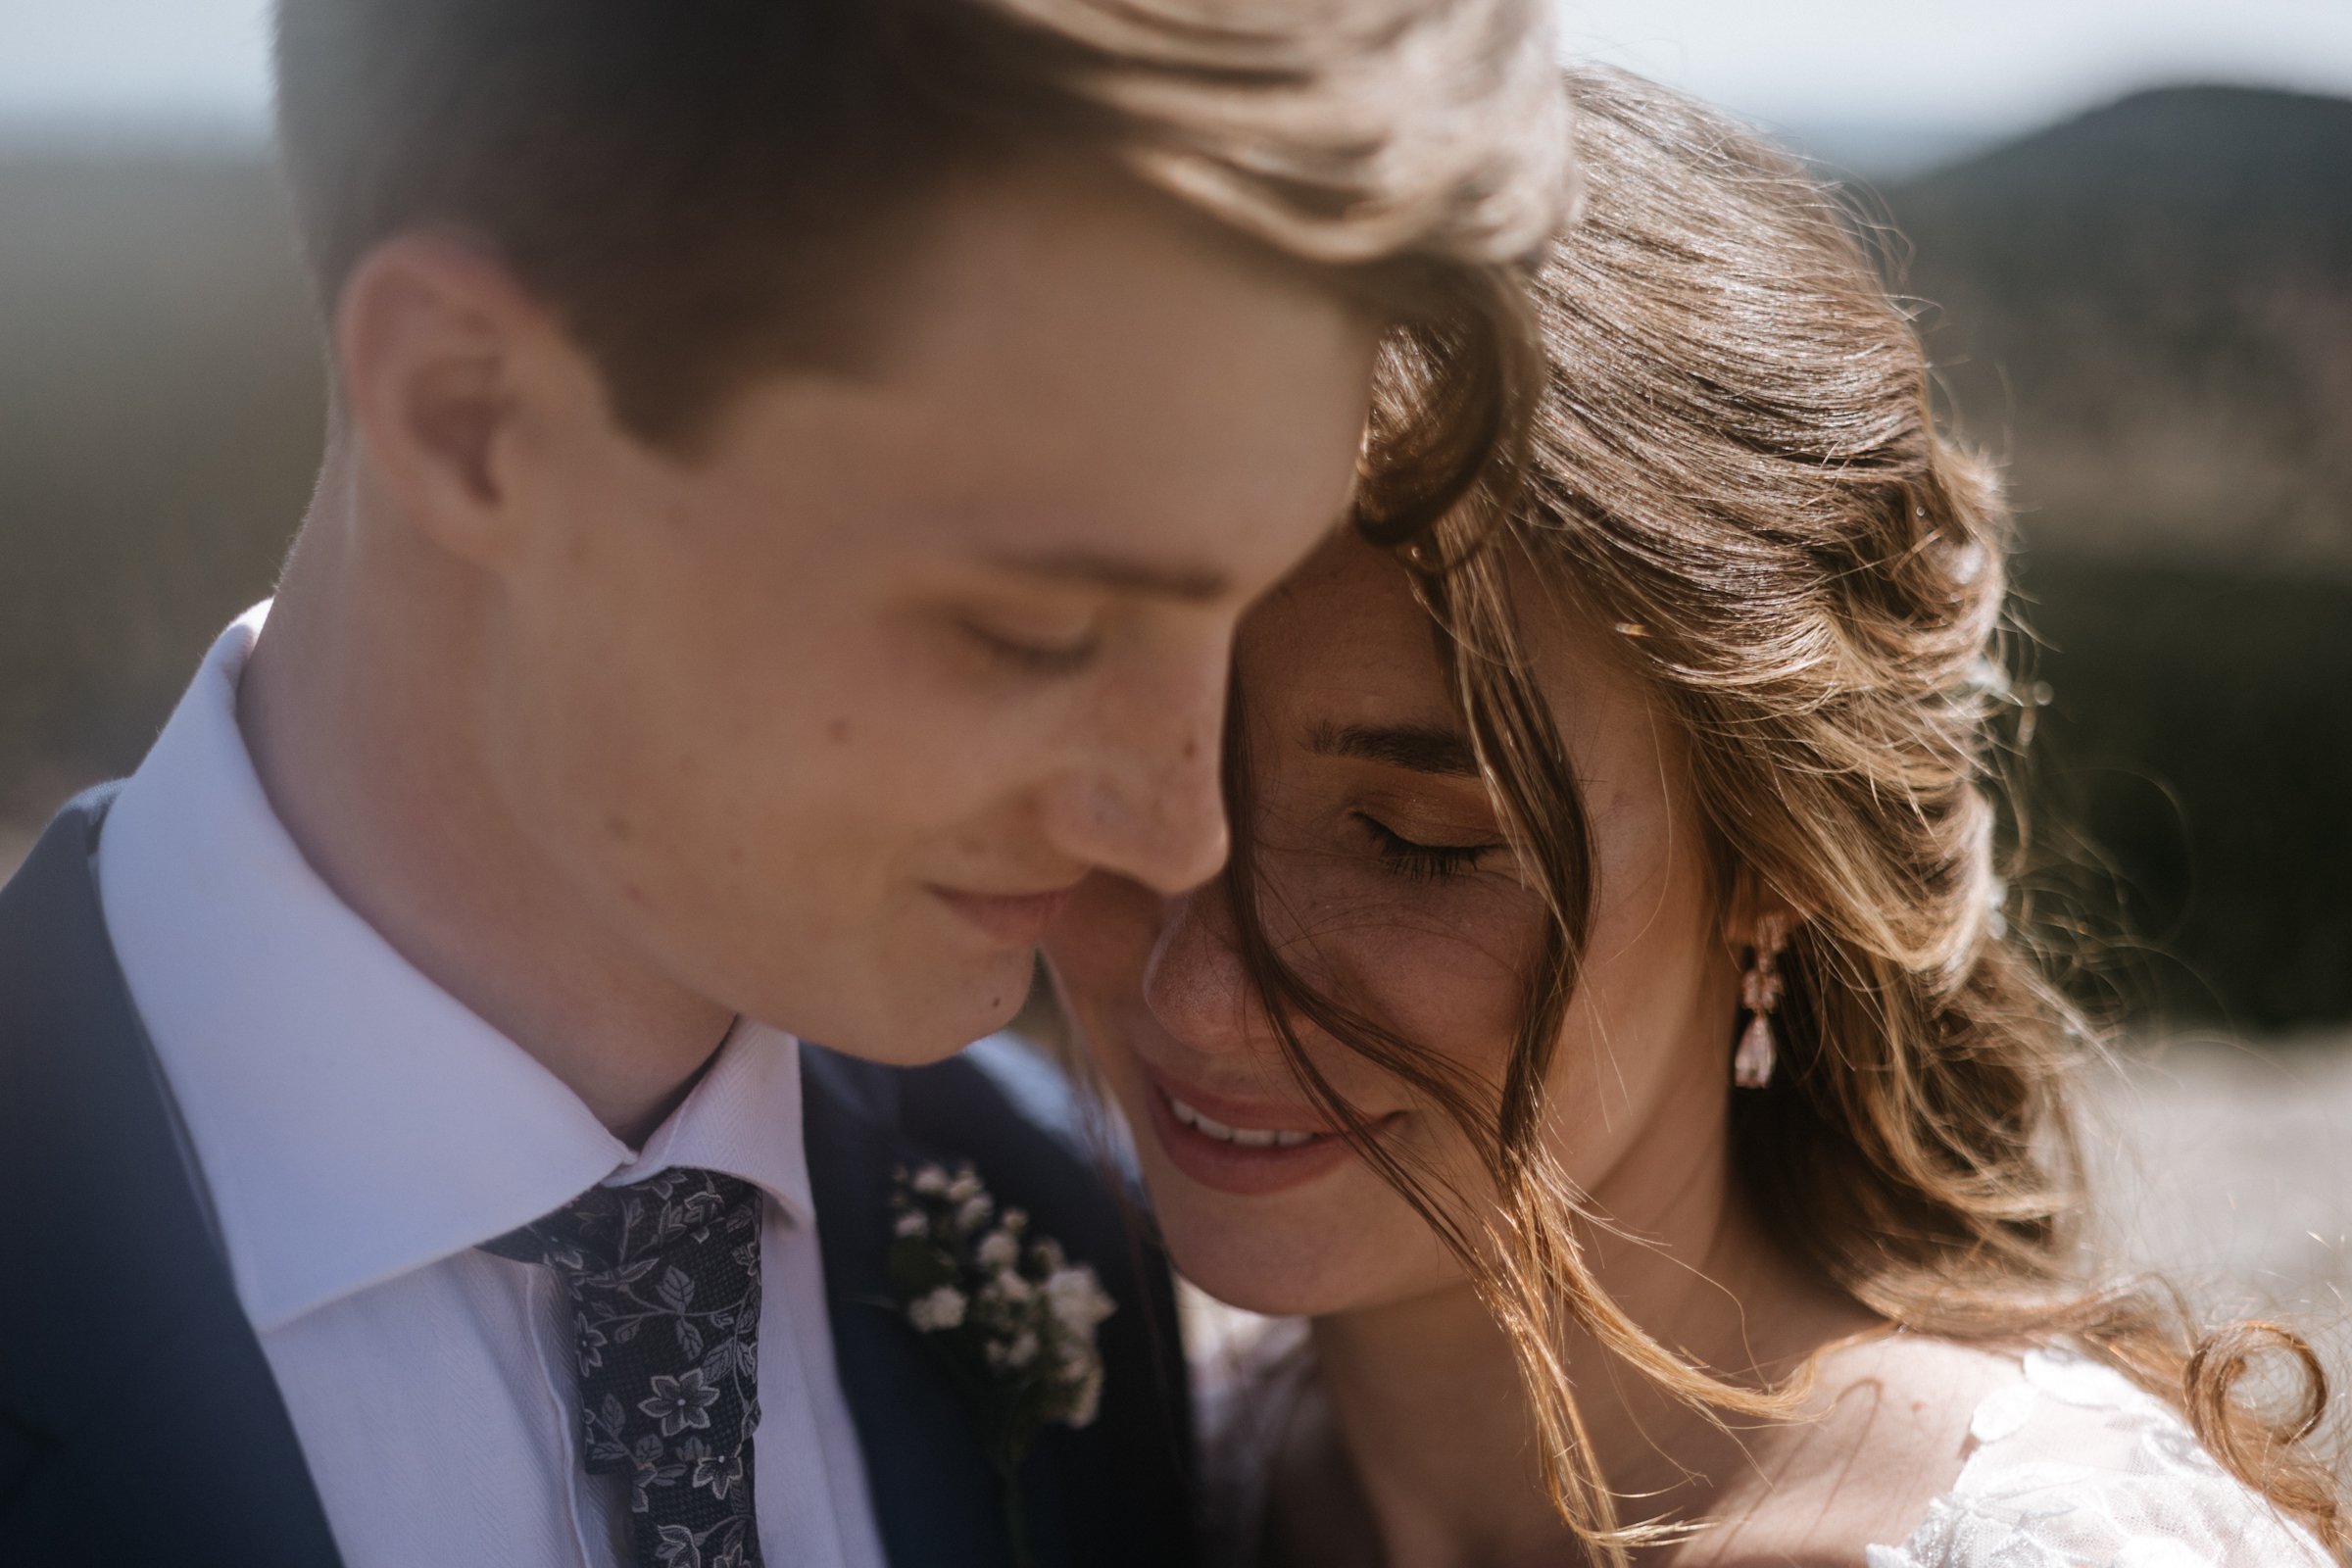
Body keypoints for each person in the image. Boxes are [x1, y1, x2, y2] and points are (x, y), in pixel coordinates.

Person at [0, 5, 1575, 1566]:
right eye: (1034, 626)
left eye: (1232, 621)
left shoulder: (1063, 1222)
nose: (1176, 831)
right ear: (470, 414)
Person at [1046, 67, 2346, 1567]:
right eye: (1131, 783)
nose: (1196, 990)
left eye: (1422, 842)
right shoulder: (1136, 1470)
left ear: (1772, 860)